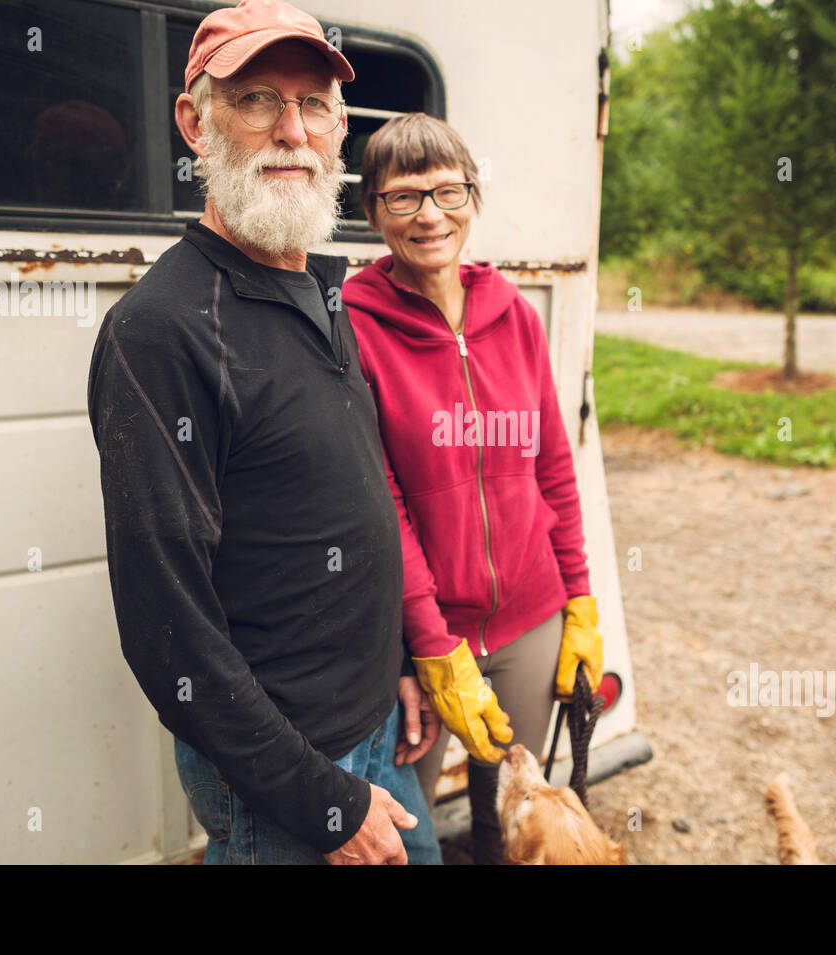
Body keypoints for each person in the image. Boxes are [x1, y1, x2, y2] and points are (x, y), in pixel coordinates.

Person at [86, 0, 441, 865]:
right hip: (290, 777)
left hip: (375, 729)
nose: (293, 129)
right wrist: (323, 803)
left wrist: (395, 656)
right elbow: (167, 627)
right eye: (257, 100)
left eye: (315, 104)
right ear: (196, 122)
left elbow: (345, 498)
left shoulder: (322, 292)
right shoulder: (161, 330)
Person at [341, 112, 604, 864]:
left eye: (446, 191)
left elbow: (553, 463)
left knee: (513, 817)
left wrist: (579, 600)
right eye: (403, 197)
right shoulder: (355, 327)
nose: (429, 214)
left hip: (531, 618)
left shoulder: (514, 314)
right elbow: (381, 504)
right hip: (418, 642)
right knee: (401, 831)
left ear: (472, 197)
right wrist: (429, 644)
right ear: (373, 214)